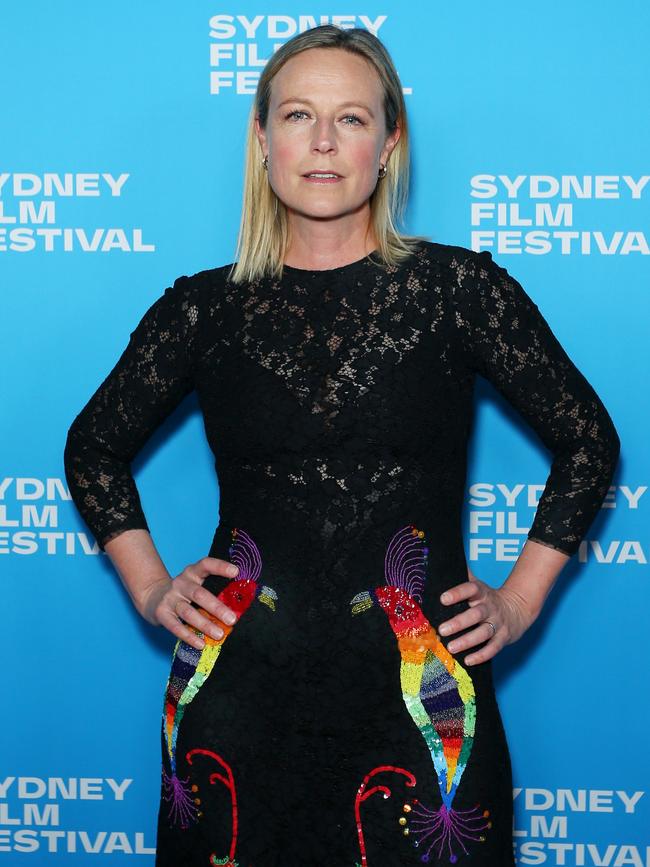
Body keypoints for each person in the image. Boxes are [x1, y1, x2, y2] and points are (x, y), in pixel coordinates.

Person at [63, 24, 620, 867]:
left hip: (421, 708)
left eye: (352, 119)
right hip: (235, 701)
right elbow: (92, 446)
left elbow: (588, 439)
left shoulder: (458, 291)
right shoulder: (203, 309)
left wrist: (521, 599)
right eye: (297, 115)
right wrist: (150, 587)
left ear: (390, 142)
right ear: (261, 140)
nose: (323, 142)